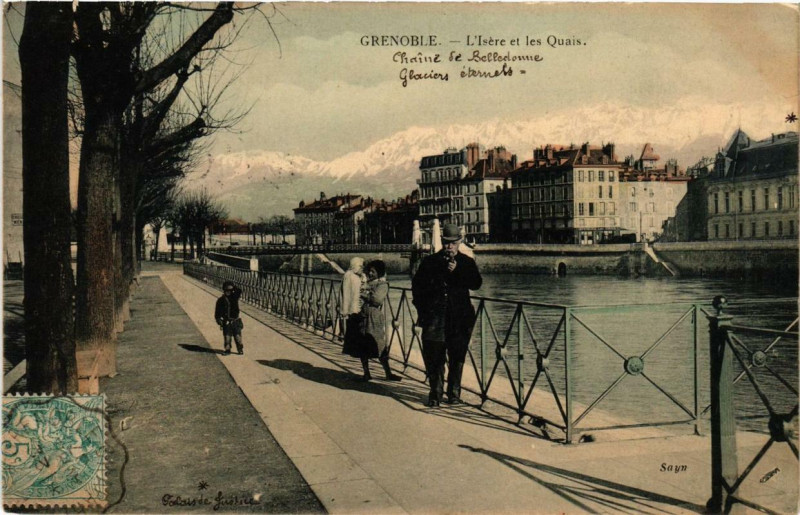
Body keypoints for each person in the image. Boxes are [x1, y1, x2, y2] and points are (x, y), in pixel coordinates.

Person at [412, 224, 482, 407]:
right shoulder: (430, 262)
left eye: (453, 243)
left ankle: (454, 395)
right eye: (446, 243)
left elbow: (476, 284)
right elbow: (417, 288)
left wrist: (457, 271)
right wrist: (423, 311)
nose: (449, 247)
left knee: (457, 357)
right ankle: (435, 395)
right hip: (435, 318)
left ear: (459, 242)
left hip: (459, 319)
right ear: (442, 242)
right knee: (435, 357)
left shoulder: (467, 262)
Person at [348, 260, 402, 382]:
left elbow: (377, 300)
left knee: (379, 345)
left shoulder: (382, 285)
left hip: (374, 317)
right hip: (363, 315)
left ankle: (388, 373)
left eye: (373, 271)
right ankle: (366, 373)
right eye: (370, 271)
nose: (370, 273)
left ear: (380, 272)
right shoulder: (367, 283)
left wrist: (363, 295)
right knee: (362, 344)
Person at [341, 257, 365, 357]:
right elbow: (345, 293)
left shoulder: (360, 275)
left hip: (359, 304)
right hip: (352, 306)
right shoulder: (348, 275)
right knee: (353, 327)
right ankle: (353, 349)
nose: (362, 267)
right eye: (360, 265)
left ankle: (358, 348)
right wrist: (345, 309)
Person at [215, 281, 244, 355]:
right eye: (226, 290)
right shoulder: (221, 300)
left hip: (236, 321)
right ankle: (227, 350)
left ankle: (240, 349)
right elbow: (217, 312)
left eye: (230, 290)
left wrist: (233, 287)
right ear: (224, 290)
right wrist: (219, 321)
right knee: (227, 338)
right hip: (226, 322)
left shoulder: (234, 297)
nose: (228, 292)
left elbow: (239, 291)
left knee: (238, 337)